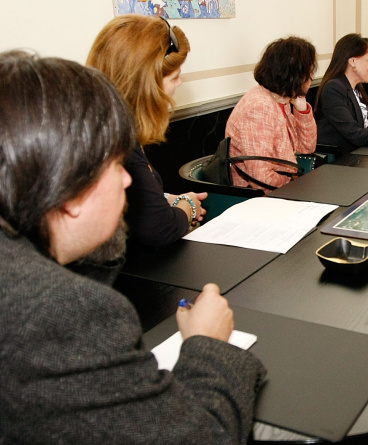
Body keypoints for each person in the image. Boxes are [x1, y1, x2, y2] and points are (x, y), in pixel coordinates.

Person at [0, 51, 265, 443]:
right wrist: (207, 343)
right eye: (117, 166)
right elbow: (204, 436)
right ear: (69, 184)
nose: (128, 183)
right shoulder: (61, 312)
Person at [87, 15, 208, 254]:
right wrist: (187, 207)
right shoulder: (122, 143)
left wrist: (162, 199)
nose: (180, 83)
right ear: (147, 86)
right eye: (174, 77)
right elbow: (159, 228)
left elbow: (134, 202)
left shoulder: (100, 128)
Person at [226, 36, 317, 191]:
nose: (312, 76)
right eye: (309, 71)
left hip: (281, 189)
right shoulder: (260, 107)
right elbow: (260, 178)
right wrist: (294, 183)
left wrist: (302, 111)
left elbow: (306, 148)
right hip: (257, 199)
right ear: (294, 74)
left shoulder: (281, 100)